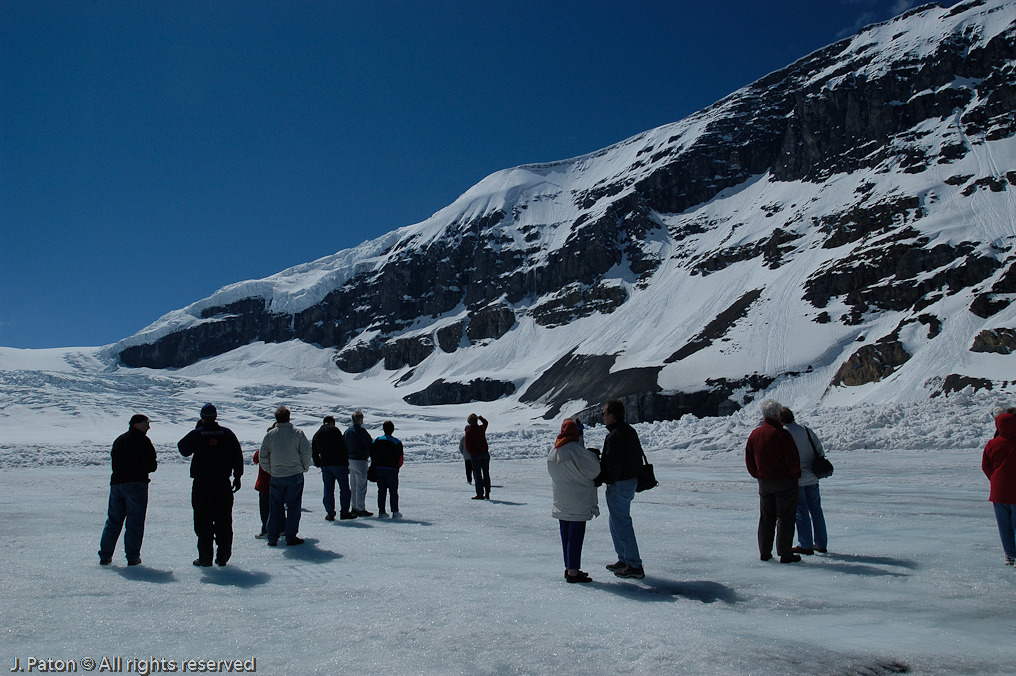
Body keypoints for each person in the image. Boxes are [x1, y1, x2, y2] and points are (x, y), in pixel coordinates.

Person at [178, 403, 244, 567]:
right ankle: (223, 556)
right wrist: (238, 476)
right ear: (216, 417)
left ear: (202, 417)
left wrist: (198, 431)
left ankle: (206, 558)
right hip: (223, 483)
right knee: (224, 520)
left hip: (202, 485)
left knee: (203, 521)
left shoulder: (197, 434)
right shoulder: (227, 434)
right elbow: (237, 455)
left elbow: (183, 449)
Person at [746, 399, 802, 564]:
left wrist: (756, 474)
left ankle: (764, 552)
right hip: (784, 481)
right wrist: (795, 475)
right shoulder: (782, 434)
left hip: (764, 481)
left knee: (766, 517)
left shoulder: (755, 434)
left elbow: (749, 457)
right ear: (777, 414)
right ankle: (785, 554)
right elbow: (792, 459)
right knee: (785, 518)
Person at [98, 414, 158, 566]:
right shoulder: (143, 441)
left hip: (117, 484)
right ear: (136, 425)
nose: (148, 427)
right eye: (146, 424)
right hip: (136, 485)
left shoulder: (119, 440)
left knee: (113, 521)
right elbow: (152, 465)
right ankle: (132, 557)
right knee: (135, 522)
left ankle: (105, 555)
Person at [547, 418, 600, 583]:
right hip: (578, 500)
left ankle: (569, 567)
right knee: (576, 537)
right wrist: (593, 456)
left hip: (561, 501)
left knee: (566, 537)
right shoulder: (576, 450)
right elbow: (594, 471)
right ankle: (573, 572)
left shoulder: (554, 451)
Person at [599, 399, 646, 579]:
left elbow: (614, 464)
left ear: (612, 415)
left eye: (604, 413)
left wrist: (605, 479)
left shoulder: (616, 435)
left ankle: (634, 564)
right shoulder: (628, 431)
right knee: (616, 522)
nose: (602, 416)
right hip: (629, 482)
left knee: (622, 523)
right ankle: (625, 559)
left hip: (619, 484)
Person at [260, 406, 312, 546]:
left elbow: (263, 456)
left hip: (277, 475)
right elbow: (306, 453)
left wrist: (270, 470)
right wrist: (304, 467)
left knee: (275, 507)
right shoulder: (297, 433)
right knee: (294, 506)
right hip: (295, 474)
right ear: (289, 417)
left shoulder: (270, 435)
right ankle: (290, 536)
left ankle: (272, 537)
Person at [779, 408, 828, 555]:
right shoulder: (806, 430)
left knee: (801, 511)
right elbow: (820, 451)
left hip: (796, 478)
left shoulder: (783, 433)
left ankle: (805, 544)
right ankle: (821, 543)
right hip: (812, 477)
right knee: (816, 510)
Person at [982, 411, 1016, 565]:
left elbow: (985, 466)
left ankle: (1010, 555)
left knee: (1004, 526)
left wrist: (995, 480)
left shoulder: (992, 444)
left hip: (999, 493)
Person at [313, 415, 355, 520]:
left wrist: (319, 463)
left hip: (326, 465)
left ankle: (330, 513)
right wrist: (346, 462)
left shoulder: (317, 434)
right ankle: (344, 512)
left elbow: (314, 452)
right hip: (339, 463)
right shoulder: (335, 430)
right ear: (332, 423)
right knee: (344, 488)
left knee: (328, 489)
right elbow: (343, 447)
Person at [370, 420, 405, 518]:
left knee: (381, 491)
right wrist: (397, 467)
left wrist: (375, 463)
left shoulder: (376, 440)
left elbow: (371, 452)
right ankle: (395, 511)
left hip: (379, 468)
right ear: (392, 430)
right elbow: (400, 458)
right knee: (393, 491)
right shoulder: (397, 442)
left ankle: (381, 512)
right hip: (391, 470)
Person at [344, 411, 374, 516]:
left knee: (353, 485)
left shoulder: (347, 431)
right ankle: (361, 508)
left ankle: (354, 506)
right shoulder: (361, 432)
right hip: (360, 459)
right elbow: (369, 444)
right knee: (361, 485)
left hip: (350, 459)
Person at [465, 413, 491, 500]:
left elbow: (467, 445)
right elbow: (486, 423)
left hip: (475, 455)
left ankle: (480, 493)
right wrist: (481, 418)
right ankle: (487, 493)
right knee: (486, 473)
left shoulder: (469, 432)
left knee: (478, 474)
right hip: (484, 453)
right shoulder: (481, 429)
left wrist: (471, 452)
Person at [252, 446, 271, 538]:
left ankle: (266, 529)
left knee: (265, 509)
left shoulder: (263, 450)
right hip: (279, 483)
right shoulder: (282, 448)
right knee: (278, 507)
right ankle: (281, 528)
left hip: (265, 484)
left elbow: (256, 459)